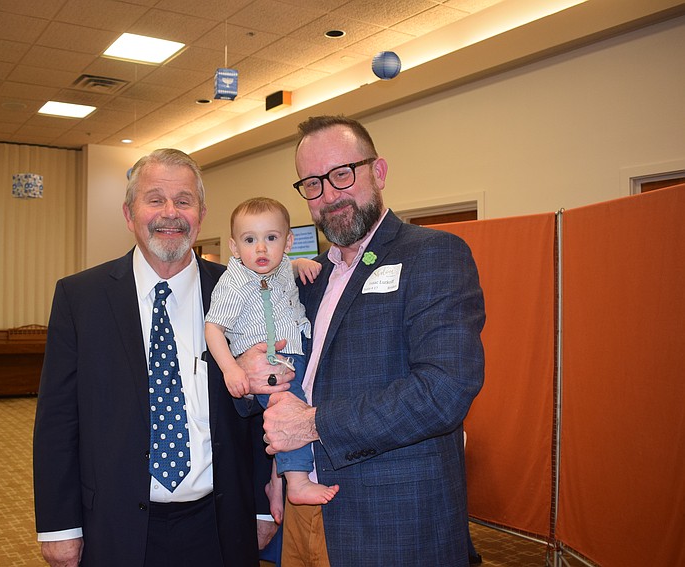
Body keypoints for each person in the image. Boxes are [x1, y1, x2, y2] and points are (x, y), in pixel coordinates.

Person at [32, 148, 294, 567]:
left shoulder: (240, 292)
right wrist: (60, 527)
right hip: (113, 524)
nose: (170, 213)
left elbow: (266, 403)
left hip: (221, 522)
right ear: (129, 213)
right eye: (155, 199)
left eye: (184, 201)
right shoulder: (80, 298)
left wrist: (261, 508)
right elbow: (58, 421)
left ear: (202, 213)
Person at [262, 115, 486, 566]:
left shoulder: (433, 255)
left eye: (342, 174)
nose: (329, 195)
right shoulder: (306, 280)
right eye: (312, 184)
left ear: (378, 172)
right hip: (303, 517)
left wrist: (314, 424)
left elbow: (445, 389)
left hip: (395, 528)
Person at [205, 197, 339, 507]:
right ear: (235, 247)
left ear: (288, 240)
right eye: (250, 240)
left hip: (297, 354)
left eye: (271, 238)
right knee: (288, 413)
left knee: (301, 410)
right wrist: (232, 370)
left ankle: (274, 482)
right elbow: (213, 329)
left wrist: (298, 265)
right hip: (269, 367)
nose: (261, 249)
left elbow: (286, 270)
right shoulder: (234, 283)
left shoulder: (279, 268)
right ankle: (297, 483)